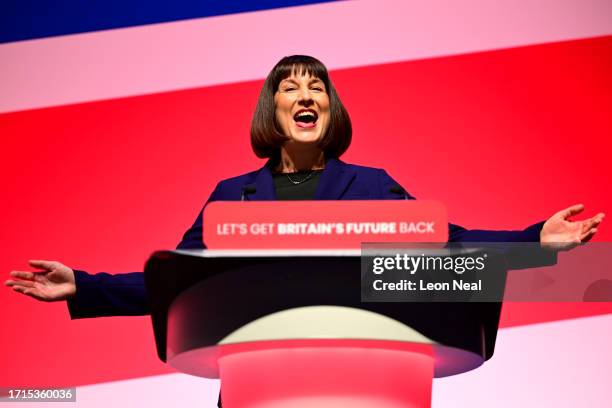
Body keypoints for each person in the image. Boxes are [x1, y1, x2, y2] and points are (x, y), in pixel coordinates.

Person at [5, 54, 605, 316]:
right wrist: (83, 287)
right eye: (289, 87)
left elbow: (447, 251)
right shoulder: (231, 197)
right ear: (273, 109)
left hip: (358, 373)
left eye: (316, 86)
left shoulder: (372, 187)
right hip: (257, 375)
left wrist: (536, 244)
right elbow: (175, 278)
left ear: (331, 107)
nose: (305, 95)